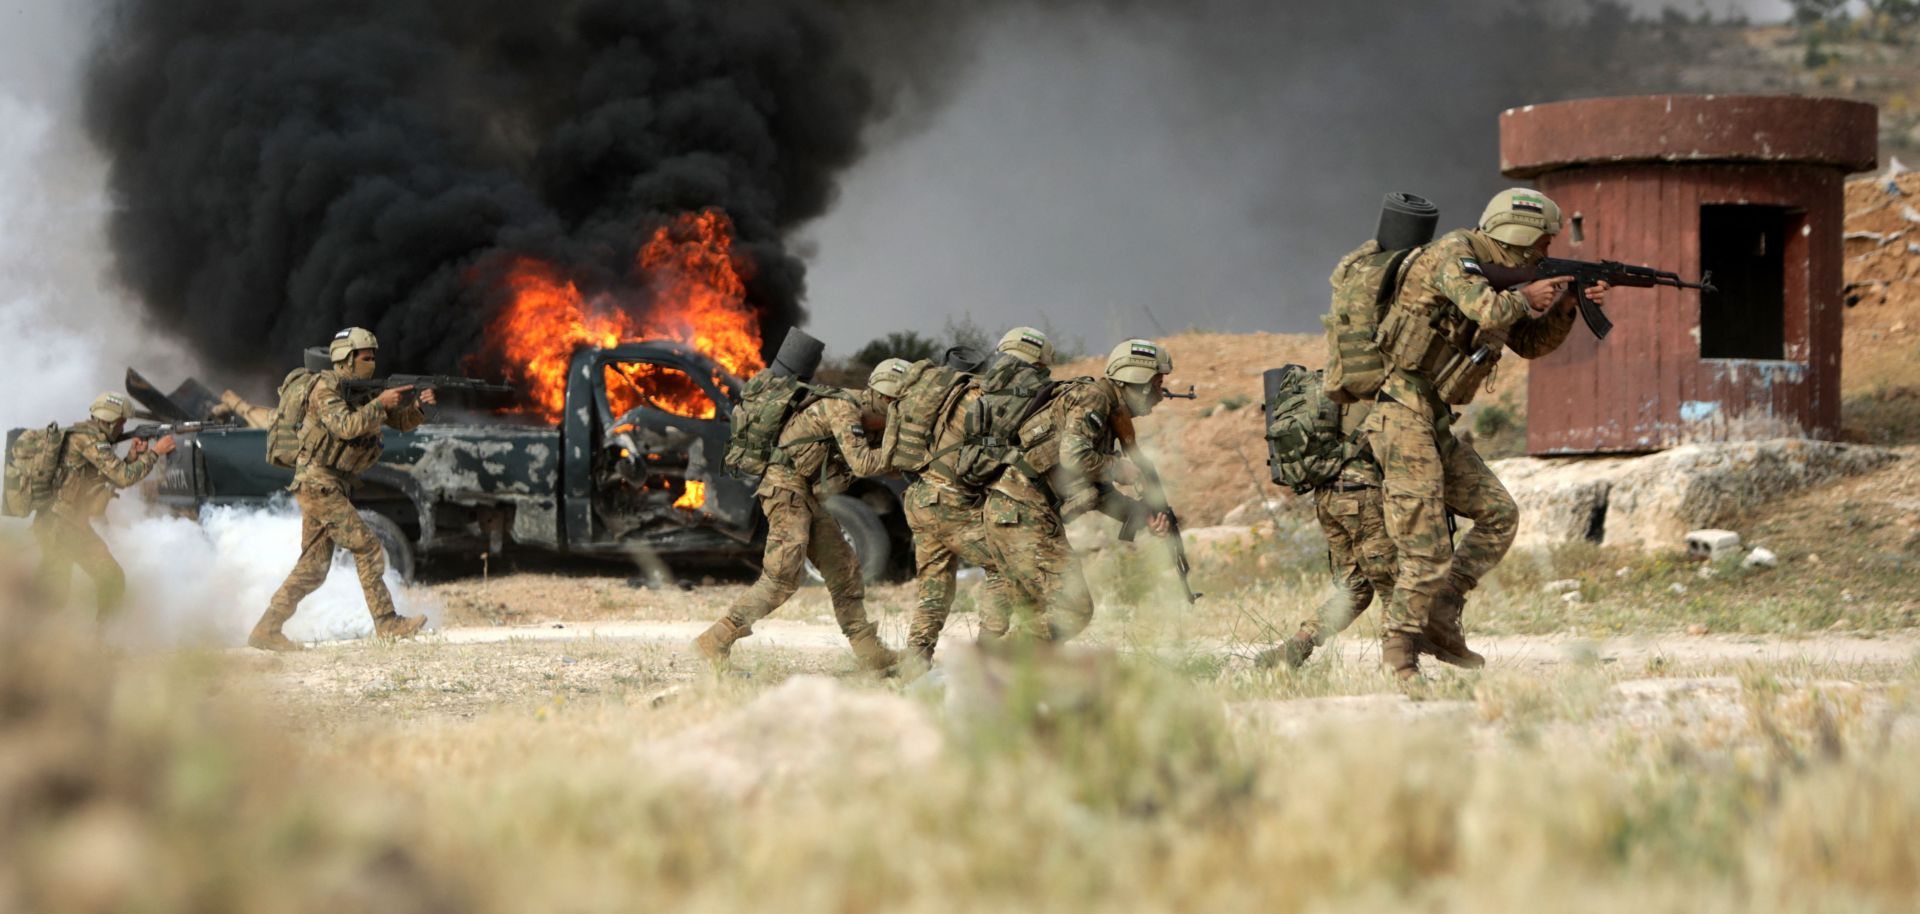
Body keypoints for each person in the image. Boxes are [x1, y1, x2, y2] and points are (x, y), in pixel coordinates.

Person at [1366, 188, 1609, 679]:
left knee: (1499, 514)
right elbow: (1490, 311)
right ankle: (1400, 656)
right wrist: (1524, 296)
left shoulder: (1499, 280)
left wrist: (1564, 307)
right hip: (1399, 411)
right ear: (1517, 237)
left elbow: (1529, 344)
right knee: (1427, 545)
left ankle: (1441, 613)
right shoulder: (1454, 254)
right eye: (1541, 244)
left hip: (1432, 418)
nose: (1544, 253)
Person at [692, 331, 901, 673]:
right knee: (781, 579)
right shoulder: (843, 407)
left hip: (803, 493)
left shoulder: (870, 418)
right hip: (784, 489)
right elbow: (864, 464)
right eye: (897, 404)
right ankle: (715, 641)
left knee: (844, 570)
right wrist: (905, 454)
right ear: (882, 396)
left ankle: (870, 654)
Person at [248, 327, 434, 651]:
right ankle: (387, 623)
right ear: (345, 359)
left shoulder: (358, 391)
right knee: (368, 546)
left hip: (328, 484)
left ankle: (267, 629)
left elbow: (399, 422)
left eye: (374, 357)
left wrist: (418, 407)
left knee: (313, 568)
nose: (371, 363)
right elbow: (346, 426)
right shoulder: (325, 388)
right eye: (365, 357)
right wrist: (379, 404)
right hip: (318, 483)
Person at [981, 338, 1175, 643]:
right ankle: (987, 666)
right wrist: (1118, 468)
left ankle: (999, 679)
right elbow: (1074, 459)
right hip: (1024, 515)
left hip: (1012, 513)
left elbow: (1094, 488)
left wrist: (1140, 514)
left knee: (1038, 614)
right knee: (1073, 610)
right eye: (1158, 383)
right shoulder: (1092, 399)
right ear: (1138, 382)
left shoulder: (1103, 408)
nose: (1162, 394)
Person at [895, 327, 1047, 664]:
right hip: (950, 502)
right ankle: (986, 654)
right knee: (1003, 565)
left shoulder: (943, 394)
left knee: (933, 590)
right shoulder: (985, 398)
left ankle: (915, 662)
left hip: (920, 498)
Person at [1261, 397, 1393, 669]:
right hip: (1361, 494)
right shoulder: (1380, 393)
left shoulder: (1337, 400)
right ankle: (1399, 666)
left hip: (1328, 496)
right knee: (1394, 583)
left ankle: (1296, 647)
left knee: (1356, 589)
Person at [34, 392, 175, 618]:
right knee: (55, 595)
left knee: (109, 578)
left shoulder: (86, 438)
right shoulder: (90, 440)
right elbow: (123, 478)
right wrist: (155, 453)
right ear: (114, 421)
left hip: (68, 523)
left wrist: (132, 456)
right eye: (122, 422)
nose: (123, 427)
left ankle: (98, 644)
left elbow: (105, 477)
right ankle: (26, 645)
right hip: (59, 525)